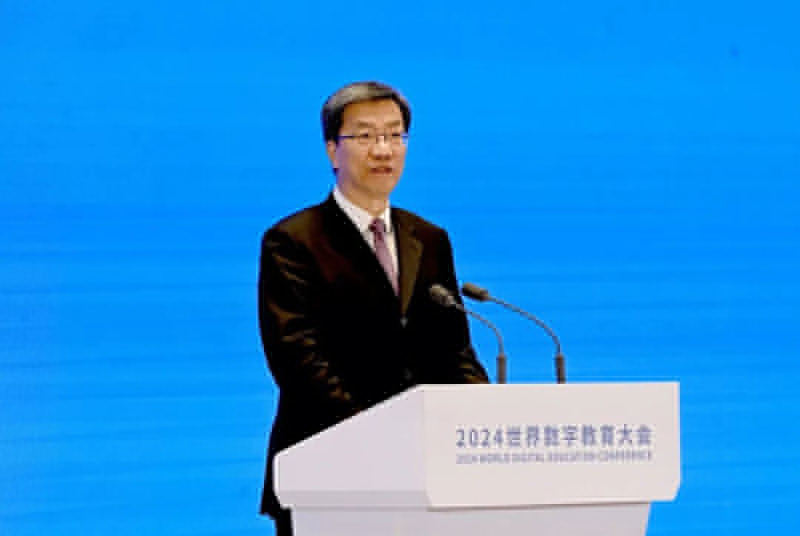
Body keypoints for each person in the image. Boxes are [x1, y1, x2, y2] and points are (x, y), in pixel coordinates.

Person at [257, 81, 489, 536]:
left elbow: (455, 351)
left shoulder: (429, 239)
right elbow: (298, 359)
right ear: (332, 150)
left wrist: (486, 422)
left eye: (394, 135)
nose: (383, 149)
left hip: (427, 477)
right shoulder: (293, 241)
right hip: (327, 469)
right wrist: (379, 435)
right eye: (365, 136)